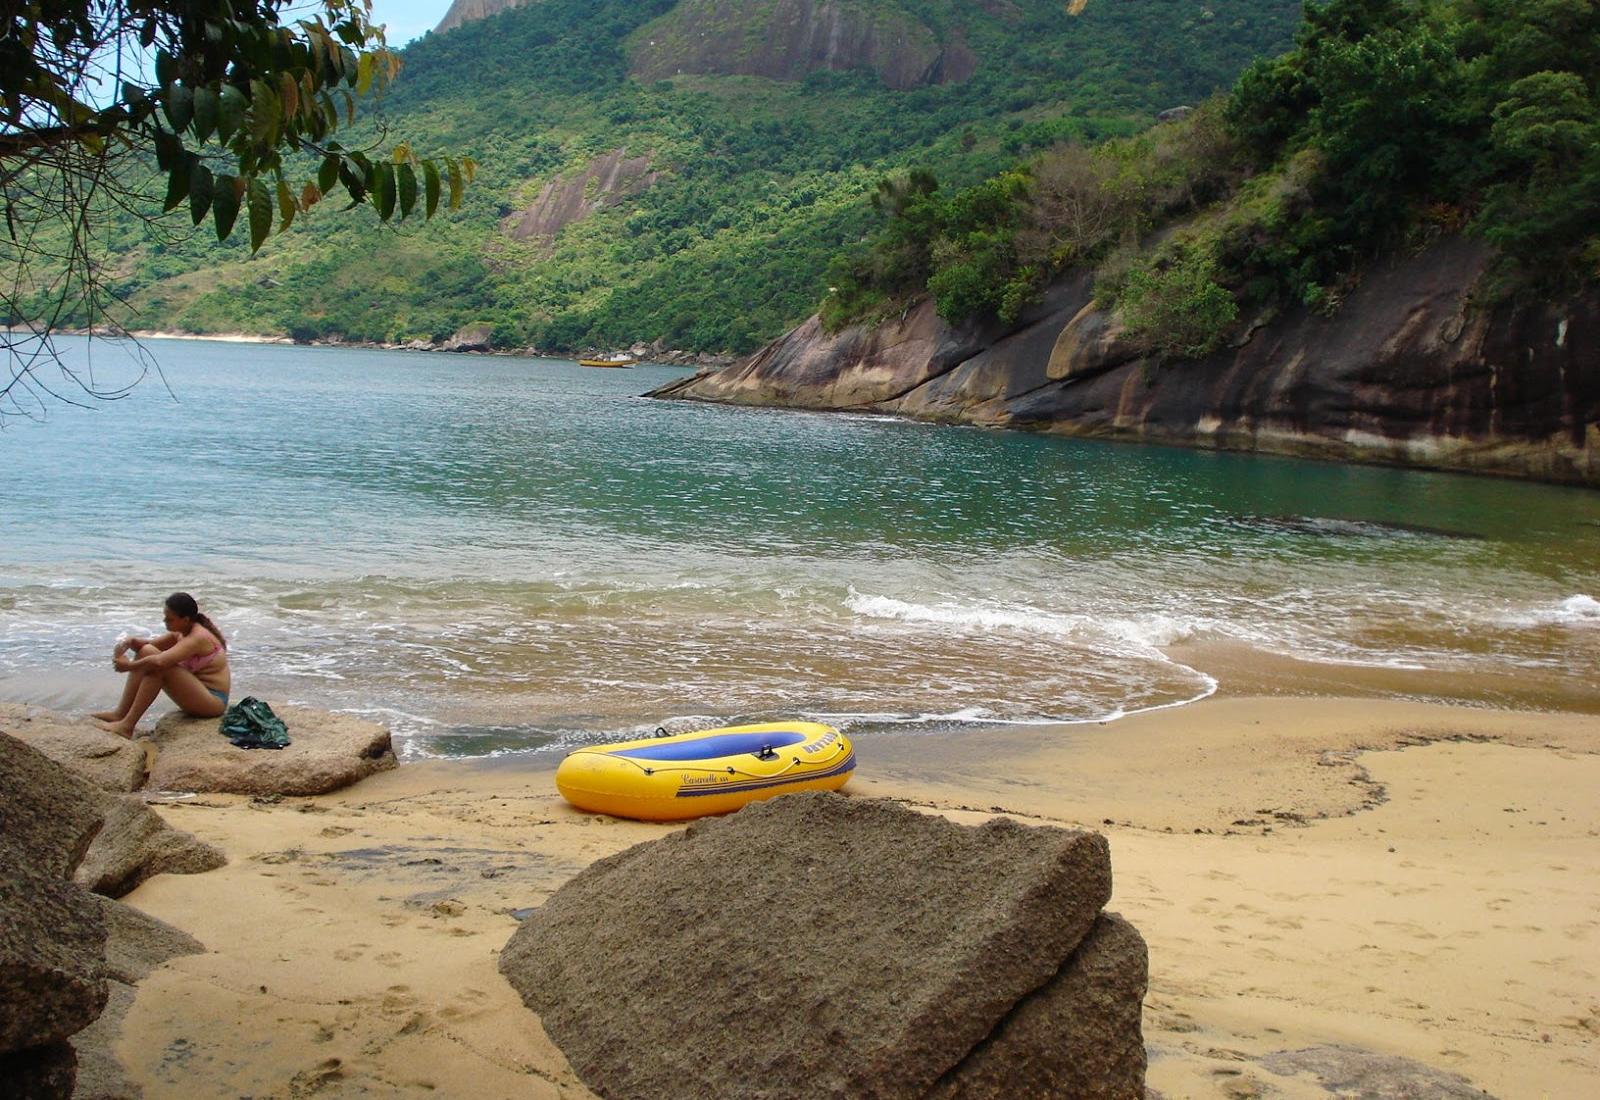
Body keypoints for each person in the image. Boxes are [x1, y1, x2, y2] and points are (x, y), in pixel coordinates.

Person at [92, 592, 231, 738]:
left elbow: (160, 662)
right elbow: (149, 647)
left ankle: (127, 726)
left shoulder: (198, 637)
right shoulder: (181, 631)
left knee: (160, 668)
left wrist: (127, 666)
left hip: (213, 702)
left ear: (185, 619)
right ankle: (120, 714)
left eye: (169, 619)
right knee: (147, 651)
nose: (165, 621)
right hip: (198, 694)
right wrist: (131, 642)